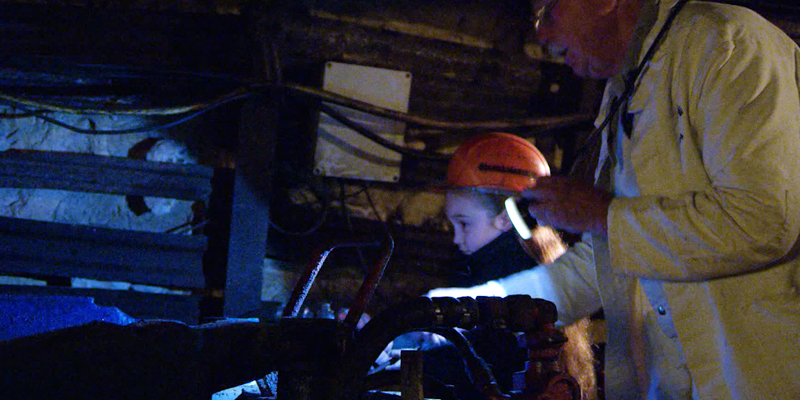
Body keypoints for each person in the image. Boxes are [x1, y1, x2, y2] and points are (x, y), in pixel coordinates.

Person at [433, 0, 800, 399]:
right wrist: (447, 310)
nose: (541, 34)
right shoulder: (631, 82)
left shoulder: (727, 43)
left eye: (548, 11)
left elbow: (765, 220)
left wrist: (602, 215)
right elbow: (607, 261)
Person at [377, 133, 598, 400]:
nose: (457, 238)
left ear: (506, 218)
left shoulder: (506, 269)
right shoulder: (534, 260)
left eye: (464, 223)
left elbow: (482, 367)